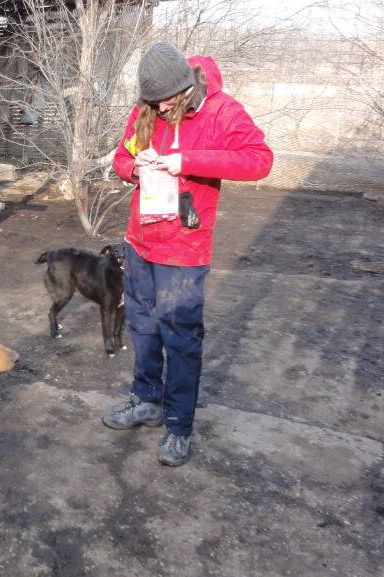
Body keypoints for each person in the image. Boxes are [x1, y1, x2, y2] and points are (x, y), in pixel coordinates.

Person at [102, 42, 273, 466]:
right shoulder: (145, 109)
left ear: (184, 88)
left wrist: (188, 161)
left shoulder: (221, 111)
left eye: (165, 102)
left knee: (180, 335)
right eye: (152, 102)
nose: (159, 110)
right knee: (141, 326)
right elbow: (123, 157)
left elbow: (260, 160)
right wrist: (133, 168)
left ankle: (179, 425)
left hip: (184, 246)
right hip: (140, 240)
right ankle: (146, 400)